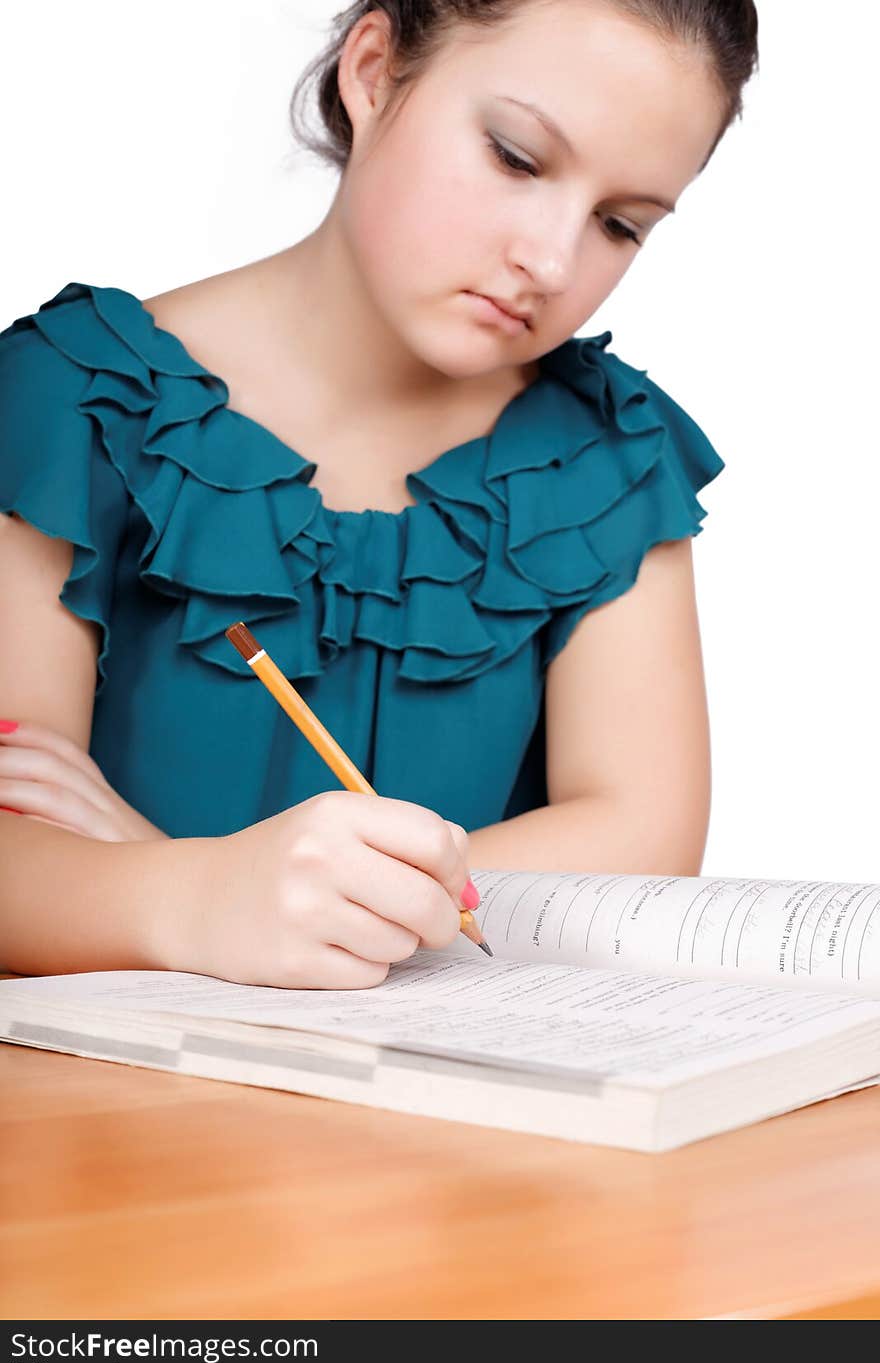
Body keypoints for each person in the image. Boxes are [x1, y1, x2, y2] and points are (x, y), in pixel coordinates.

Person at [0, 0, 759, 988]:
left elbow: (643, 845)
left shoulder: (605, 459)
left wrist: (160, 874)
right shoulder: (73, 399)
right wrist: (203, 894)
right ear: (371, 69)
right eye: (517, 158)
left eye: (620, 225)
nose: (553, 260)